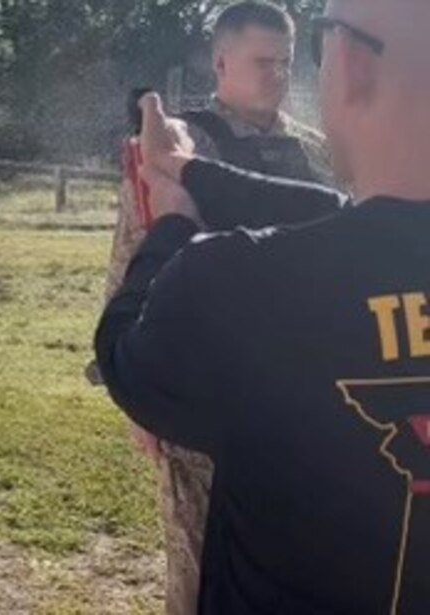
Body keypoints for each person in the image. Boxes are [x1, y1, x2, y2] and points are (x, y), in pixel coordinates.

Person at [96, 0, 430, 611]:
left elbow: (356, 222)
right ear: (221, 62)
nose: (278, 75)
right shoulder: (181, 140)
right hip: (208, 381)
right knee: (200, 563)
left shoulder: (315, 146)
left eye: (286, 61)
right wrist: (139, 397)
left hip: (320, 389)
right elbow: (135, 255)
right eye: (262, 62)